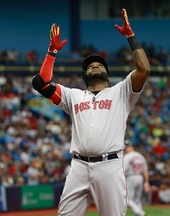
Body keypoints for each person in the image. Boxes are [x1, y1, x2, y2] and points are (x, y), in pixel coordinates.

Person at [32, 8, 150, 216]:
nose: (94, 66)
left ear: (107, 73)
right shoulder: (73, 96)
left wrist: (130, 36)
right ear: (85, 75)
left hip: (109, 166)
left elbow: (144, 70)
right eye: (90, 66)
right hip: (78, 167)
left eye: (99, 65)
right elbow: (41, 83)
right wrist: (52, 53)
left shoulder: (121, 91)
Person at [124, 140, 150, 216]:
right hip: (140, 178)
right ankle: (139, 213)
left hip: (131, 177)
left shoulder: (127, 157)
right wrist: (146, 182)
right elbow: (145, 170)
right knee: (137, 200)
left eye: (126, 148)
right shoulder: (140, 156)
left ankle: (140, 213)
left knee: (128, 200)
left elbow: (123, 170)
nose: (125, 149)